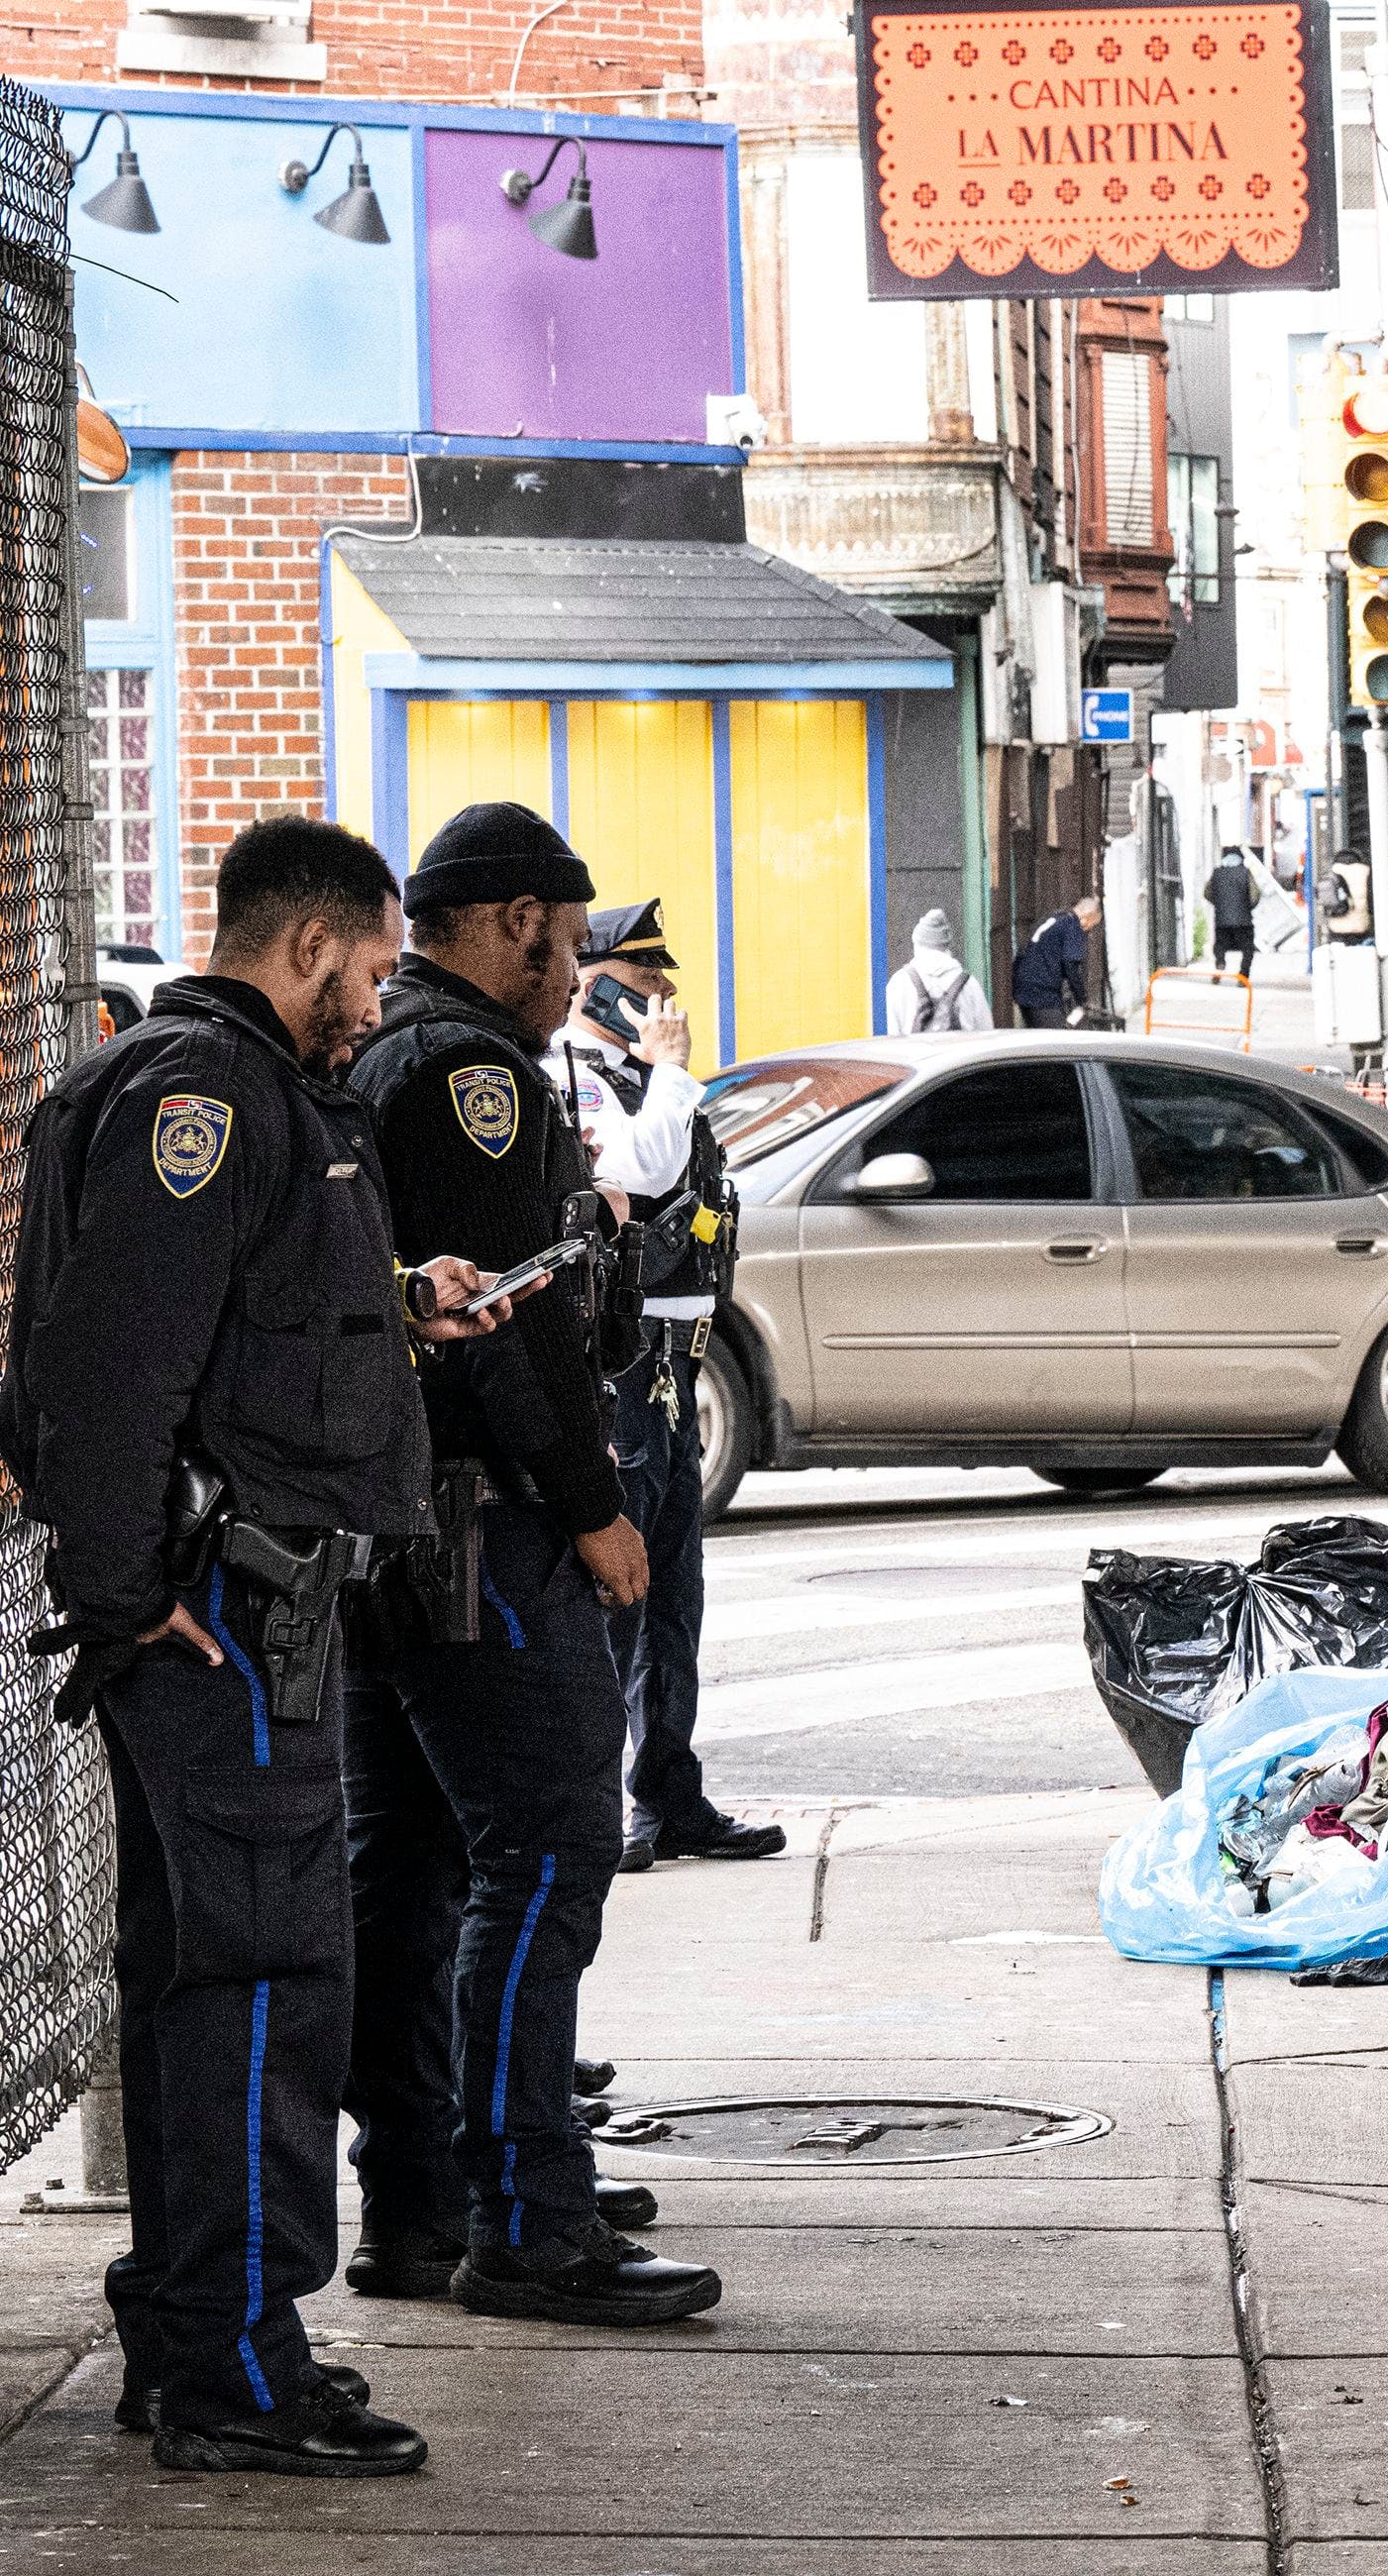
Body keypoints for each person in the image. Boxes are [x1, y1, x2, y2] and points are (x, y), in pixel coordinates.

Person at [0, 815, 520, 2476]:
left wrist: (393, 1287)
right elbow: (118, 1358)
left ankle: (196, 2335)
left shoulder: (220, 1092)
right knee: (261, 1980)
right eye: (368, 971)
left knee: (205, 1977)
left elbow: (235, 1310)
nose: (376, 1001)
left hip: (232, 1601)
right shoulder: (201, 1098)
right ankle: (234, 2365)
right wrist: (125, 1586)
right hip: (225, 1612)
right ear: (307, 947)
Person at [336, 802, 721, 2329]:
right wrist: (594, 1510)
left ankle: (420, 2200)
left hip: (395, 1533)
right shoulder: (471, 1071)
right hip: (484, 1526)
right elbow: (518, 1330)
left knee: (414, 1873)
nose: (584, 976)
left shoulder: (381, 1051)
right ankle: (528, 2218)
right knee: (548, 1855)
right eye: (569, 945)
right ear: (508, 925)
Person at [551, 900, 780, 1874]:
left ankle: (669, 1796)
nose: (664, 999)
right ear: (599, 979)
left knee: (676, 1595)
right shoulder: (582, 1077)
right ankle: (606, 1808)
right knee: (626, 1592)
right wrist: (673, 1071)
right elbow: (633, 1178)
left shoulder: (644, 1079)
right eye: (646, 981)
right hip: (629, 1357)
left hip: (678, 1361)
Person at [886, 908, 990, 1034]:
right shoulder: (970, 984)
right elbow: (986, 1033)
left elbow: (892, 1036)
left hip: (914, 1053)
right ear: (946, 945)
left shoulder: (899, 982)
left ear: (916, 943)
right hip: (960, 1053)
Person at [1012, 893, 1100, 1028]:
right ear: (1087, 918)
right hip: (1042, 994)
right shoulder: (1072, 924)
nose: (1087, 930)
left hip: (1023, 988)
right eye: (1090, 926)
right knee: (1056, 1041)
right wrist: (1082, 998)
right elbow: (1071, 965)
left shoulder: (1055, 918)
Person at [1206, 847, 1261, 983]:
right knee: (1247, 949)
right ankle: (1243, 976)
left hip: (1222, 919)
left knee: (1220, 945)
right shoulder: (1245, 872)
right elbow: (1255, 895)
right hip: (1243, 920)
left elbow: (1207, 893)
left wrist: (1220, 904)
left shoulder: (1217, 873)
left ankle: (1220, 963)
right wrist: (1247, 907)